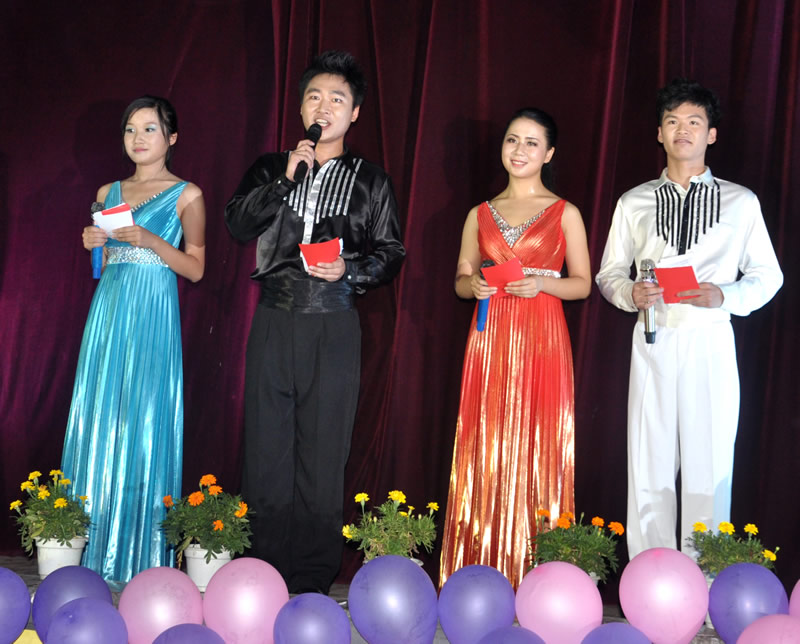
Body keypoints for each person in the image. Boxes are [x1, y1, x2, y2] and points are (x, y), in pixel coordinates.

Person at [225, 50, 405, 594]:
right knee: (266, 448)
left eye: (337, 99)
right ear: (301, 107)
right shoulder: (270, 166)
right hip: (274, 317)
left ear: (354, 113)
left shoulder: (371, 180)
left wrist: (348, 269)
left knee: (324, 452)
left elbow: (391, 253)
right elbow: (238, 224)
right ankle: (263, 571)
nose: (323, 107)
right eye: (314, 97)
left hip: (333, 321)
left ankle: (309, 580)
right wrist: (284, 180)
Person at [595, 78, 783, 559]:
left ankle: (706, 578)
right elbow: (608, 273)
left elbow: (769, 276)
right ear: (659, 132)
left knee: (710, 461)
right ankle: (651, 576)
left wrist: (725, 295)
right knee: (648, 461)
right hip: (653, 336)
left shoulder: (740, 201)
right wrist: (629, 293)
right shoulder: (634, 201)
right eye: (673, 121)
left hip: (710, 338)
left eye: (694, 121)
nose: (683, 130)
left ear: (711, 134)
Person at [440, 108, 591, 588]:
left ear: (549, 153)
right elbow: (462, 277)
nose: (519, 150)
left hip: (542, 335)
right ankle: (478, 569)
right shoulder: (478, 213)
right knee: (486, 443)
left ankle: (542, 576)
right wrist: (472, 286)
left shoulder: (565, 212)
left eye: (531, 142)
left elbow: (583, 284)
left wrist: (542, 284)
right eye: (512, 140)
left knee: (540, 441)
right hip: (490, 339)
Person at [62, 95, 206, 585]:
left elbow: (196, 267)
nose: (138, 138)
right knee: (102, 415)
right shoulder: (108, 191)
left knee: (143, 420)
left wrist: (153, 241)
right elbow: (102, 266)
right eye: (130, 129)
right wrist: (95, 245)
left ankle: (138, 556)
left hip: (153, 315)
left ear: (172, 137)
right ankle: (84, 550)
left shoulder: (187, 194)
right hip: (109, 311)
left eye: (149, 129)